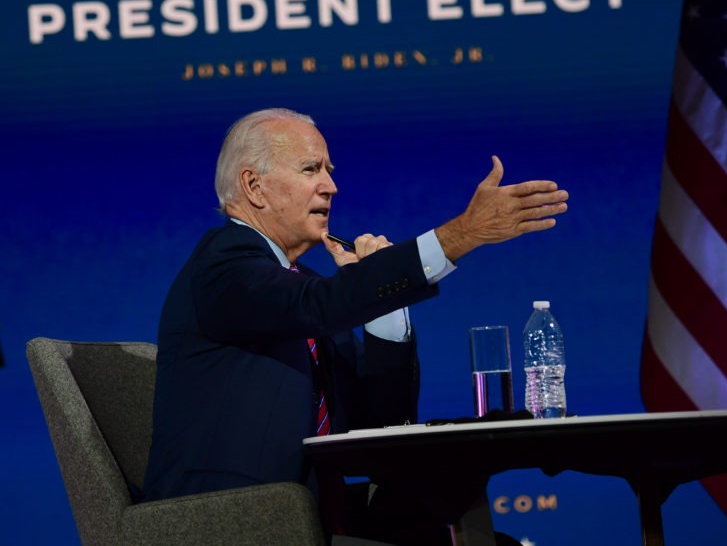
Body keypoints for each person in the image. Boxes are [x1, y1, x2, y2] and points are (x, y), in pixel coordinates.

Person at [142, 108, 569, 544]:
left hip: (319, 518)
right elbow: (320, 306)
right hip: (234, 521)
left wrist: (382, 309)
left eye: (328, 170)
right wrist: (461, 235)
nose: (331, 185)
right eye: (311, 169)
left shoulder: (302, 286)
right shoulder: (224, 264)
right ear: (254, 186)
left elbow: (381, 424)